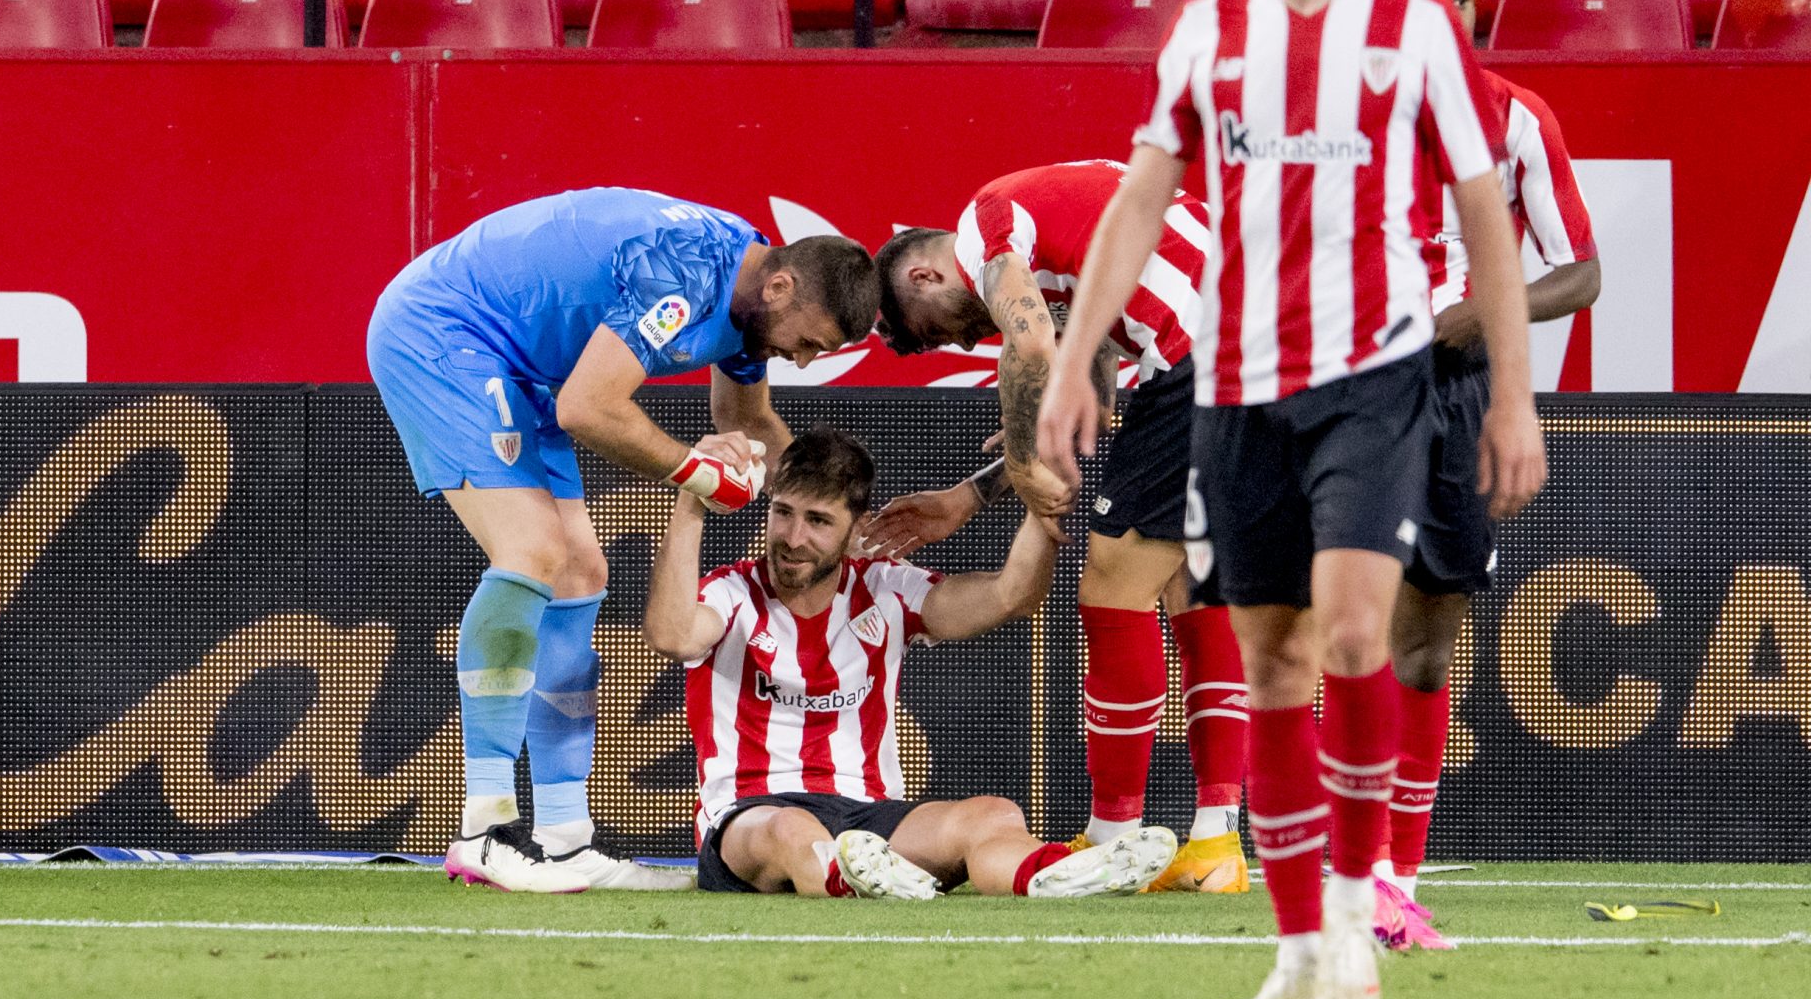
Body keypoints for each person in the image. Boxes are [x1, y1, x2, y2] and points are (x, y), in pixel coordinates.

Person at [1036, 0, 1546, 999]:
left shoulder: (1421, 33)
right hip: (1237, 388)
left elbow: (1486, 218)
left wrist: (1514, 400)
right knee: (1269, 667)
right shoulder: (1208, 35)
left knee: (1356, 636)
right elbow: (1140, 202)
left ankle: (1363, 902)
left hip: (1375, 380)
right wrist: (1068, 359)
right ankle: (1300, 944)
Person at [367, 187, 879, 894]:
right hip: (444, 333)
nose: (804, 357)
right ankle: (484, 831)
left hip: (525, 368)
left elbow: (748, 419)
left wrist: (844, 524)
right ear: (782, 284)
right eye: (809, 340)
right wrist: (697, 472)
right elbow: (588, 408)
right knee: (534, 552)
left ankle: (565, 836)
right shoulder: (686, 273)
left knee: (580, 573)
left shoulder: (754, 300)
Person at [863, 161, 1252, 894]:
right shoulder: (1062, 248)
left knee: (1112, 597)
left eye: (937, 331)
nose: (963, 338)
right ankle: (1214, 841)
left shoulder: (988, 225)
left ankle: (1112, 838)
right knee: (1198, 595)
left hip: (1208, 361)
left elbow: (1033, 345)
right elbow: (1095, 386)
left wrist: (1017, 458)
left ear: (921, 276)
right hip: (1277, 351)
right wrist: (980, 492)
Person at [643, 423, 1176, 899]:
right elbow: (672, 636)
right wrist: (694, 494)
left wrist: (1043, 506)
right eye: (783, 513)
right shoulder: (733, 592)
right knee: (791, 832)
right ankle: (852, 877)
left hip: (870, 818)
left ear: (856, 531)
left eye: (818, 521)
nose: (793, 538)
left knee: (993, 815)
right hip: (752, 816)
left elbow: (1011, 596)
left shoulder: (885, 590)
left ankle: (1054, 876)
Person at [1358, 0, 1602, 947]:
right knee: (1347, 622)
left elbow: (1581, 272)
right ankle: (1344, 866)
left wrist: (1479, 314)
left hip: (1457, 391)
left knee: (1426, 638)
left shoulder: (1514, 119)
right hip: (1355, 388)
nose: (1444, 17)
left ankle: (1393, 880)